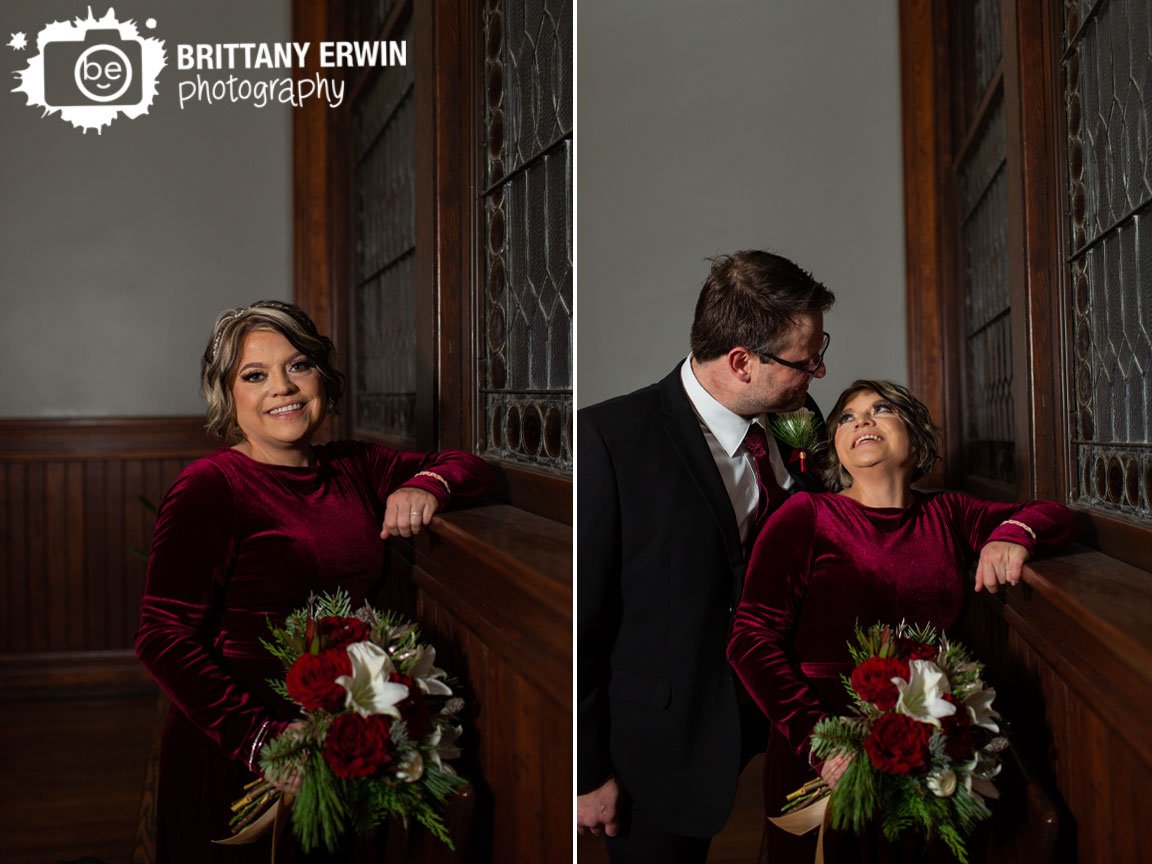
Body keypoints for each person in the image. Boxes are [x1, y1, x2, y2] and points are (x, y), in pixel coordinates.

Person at [134, 300, 493, 863]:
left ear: (322, 378)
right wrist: (267, 742)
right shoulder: (209, 488)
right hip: (239, 750)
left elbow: (470, 466)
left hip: (342, 743)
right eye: (255, 376)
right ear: (228, 396)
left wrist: (427, 485)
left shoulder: (352, 465)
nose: (283, 387)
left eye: (298, 366)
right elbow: (161, 635)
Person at [726, 380, 1077, 862]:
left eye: (880, 409)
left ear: (915, 435)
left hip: (930, 753)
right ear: (836, 449)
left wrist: (1012, 536)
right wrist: (819, 741)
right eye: (846, 418)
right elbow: (749, 640)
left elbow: (1056, 513)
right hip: (823, 748)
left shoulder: (948, 512)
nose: (862, 421)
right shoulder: (805, 516)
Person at [577, 251, 836, 862]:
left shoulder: (800, 420)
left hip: (784, 722)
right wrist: (586, 773)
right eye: (806, 360)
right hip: (661, 741)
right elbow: (586, 618)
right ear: (742, 362)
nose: (819, 373)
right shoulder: (609, 440)